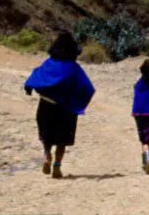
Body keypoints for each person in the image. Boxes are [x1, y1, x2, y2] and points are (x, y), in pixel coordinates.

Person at [24, 32, 95, 179]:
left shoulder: (48, 63)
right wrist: (79, 101)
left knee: (47, 135)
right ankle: (57, 165)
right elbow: (87, 87)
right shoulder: (73, 68)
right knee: (62, 139)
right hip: (66, 108)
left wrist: (29, 87)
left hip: (45, 106)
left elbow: (36, 76)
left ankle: (46, 154)